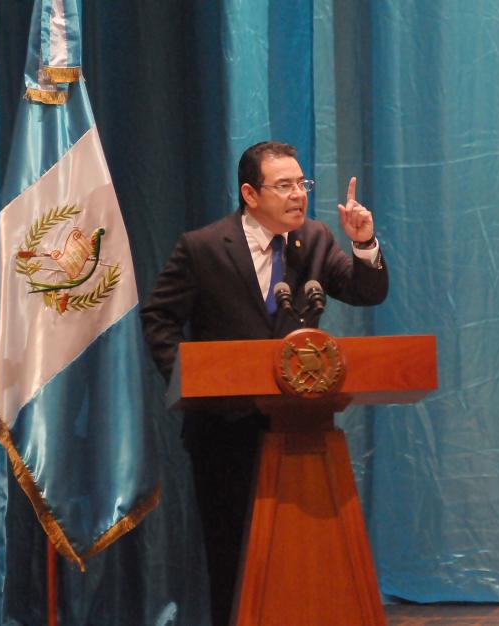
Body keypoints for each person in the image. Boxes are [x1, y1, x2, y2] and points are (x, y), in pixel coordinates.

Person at [140, 140, 388, 626]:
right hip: (225, 431)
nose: (298, 195)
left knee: (305, 553)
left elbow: (366, 292)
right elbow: (159, 319)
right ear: (251, 194)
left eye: (302, 184)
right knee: (234, 556)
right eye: (285, 186)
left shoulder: (315, 240)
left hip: (302, 428)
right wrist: (191, 380)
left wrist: (362, 243)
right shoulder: (204, 247)